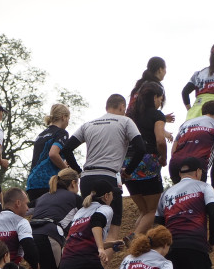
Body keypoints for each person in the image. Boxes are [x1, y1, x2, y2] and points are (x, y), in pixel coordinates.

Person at [59, 94, 145, 245]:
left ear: (106, 107)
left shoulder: (89, 124)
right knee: (112, 230)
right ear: (122, 107)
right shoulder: (125, 121)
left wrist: (79, 171)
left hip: (87, 179)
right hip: (109, 177)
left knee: (89, 227)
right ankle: (101, 267)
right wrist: (128, 171)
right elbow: (141, 148)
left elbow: (66, 149)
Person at [30, 168, 81, 269]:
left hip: (31, 239)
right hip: (49, 238)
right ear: (73, 183)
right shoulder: (75, 198)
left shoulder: (44, 197)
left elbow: (26, 208)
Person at [124, 82, 169, 236]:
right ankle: (135, 239)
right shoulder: (157, 115)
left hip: (127, 163)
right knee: (152, 210)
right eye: (160, 98)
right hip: (148, 161)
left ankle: (133, 235)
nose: (160, 102)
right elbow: (160, 140)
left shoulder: (130, 116)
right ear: (155, 98)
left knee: (143, 210)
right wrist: (164, 157)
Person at [169, 99, 214, 189]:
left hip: (175, 165)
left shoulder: (185, 124)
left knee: (181, 198)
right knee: (195, 201)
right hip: (196, 166)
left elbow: (173, 150)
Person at [0, 188, 39, 269]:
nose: (27, 208)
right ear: (18, 203)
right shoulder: (21, 222)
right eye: (26, 204)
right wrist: (35, 264)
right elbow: (28, 245)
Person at [25, 104, 72, 204]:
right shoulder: (62, 133)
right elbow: (53, 154)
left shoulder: (41, 135)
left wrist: (62, 162)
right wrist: (66, 171)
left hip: (32, 183)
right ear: (63, 117)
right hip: (48, 183)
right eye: (68, 118)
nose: (68, 122)